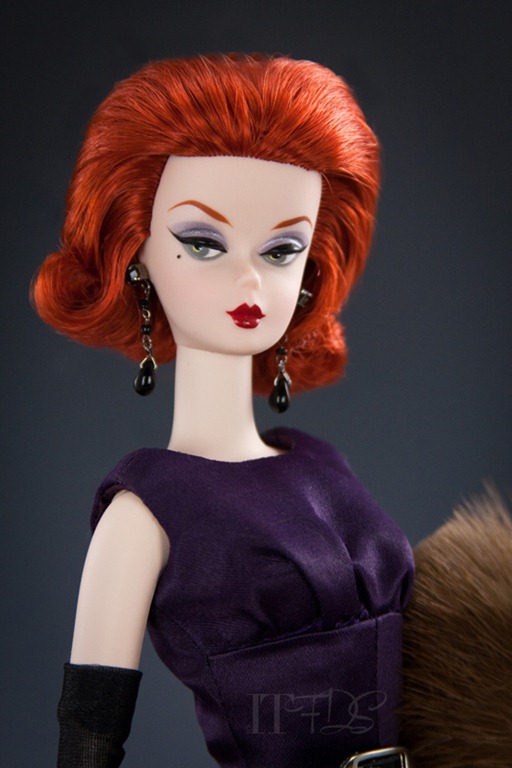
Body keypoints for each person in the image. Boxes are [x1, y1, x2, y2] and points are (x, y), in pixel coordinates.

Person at [32, 54, 414, 768]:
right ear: (136, 252)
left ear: (311, 267)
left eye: (281, 249)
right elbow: (89, 737)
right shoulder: (145, 511)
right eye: (204, 243)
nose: (249, 279)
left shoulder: (321, 464)